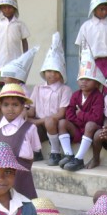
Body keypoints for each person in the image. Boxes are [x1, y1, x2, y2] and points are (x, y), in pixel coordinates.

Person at [56, 41, 106, 169]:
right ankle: (69, 154)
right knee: (62, 123)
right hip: (77, 128)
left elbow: (96, 118)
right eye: (82, 79)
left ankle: (79, 158)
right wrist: (80, 118)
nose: (84, 82)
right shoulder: (75, 95)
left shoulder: (98, 97)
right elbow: (69, 114)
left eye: (88, 80)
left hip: (91, 130)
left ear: (96, 83)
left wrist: (80, 114)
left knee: (90, 124)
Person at [0, 83, 41, 199]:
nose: (10, 109)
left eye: (15, 105)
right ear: (0, 106)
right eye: (6, 105)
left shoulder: (30, 128)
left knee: (24, 205)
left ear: (23, 106)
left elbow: (34, 151)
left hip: (23, 179)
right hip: (1, 180)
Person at [28, 32, 72, 165]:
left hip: (54, 124)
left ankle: (55, 151)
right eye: (48, 71)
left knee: (50, 121)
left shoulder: (65, 89)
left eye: (55, 71)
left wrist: (39, 121)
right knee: (23, 122)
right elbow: (32, 109)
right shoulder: (38, 88)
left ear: (61, 74)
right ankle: (35, 151)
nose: (51, 74)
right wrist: (24, 113)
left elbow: (61, 113)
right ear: (44, 72)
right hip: (40, 125)